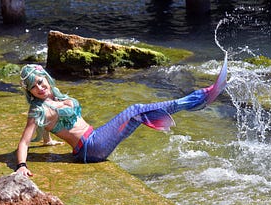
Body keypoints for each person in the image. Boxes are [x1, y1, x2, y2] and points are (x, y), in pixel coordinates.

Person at [16, 54, 227, 177]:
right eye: (34, 87)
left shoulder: (53, 98)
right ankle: (199, 98)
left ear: (46, 79)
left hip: (93, 140)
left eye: (41, 82)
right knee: (134, 111)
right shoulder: (38, 110)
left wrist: (48, 141)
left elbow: (49, 125)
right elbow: (24, 142)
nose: (40, 88)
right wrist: (21, 167)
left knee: (137, 114)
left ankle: (164, 115)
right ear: (30, 92)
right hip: (91, 148)